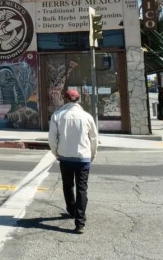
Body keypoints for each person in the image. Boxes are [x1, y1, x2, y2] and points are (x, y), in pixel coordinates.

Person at [48, 88, 98, 234]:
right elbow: (94, 138)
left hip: (65, 156)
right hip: (83, 157)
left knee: (68, 185)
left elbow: (52, 139)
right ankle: (80, 222)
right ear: (79, 99)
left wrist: (56, 152)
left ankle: (71, 209)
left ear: (65, 99)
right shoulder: (87, 116)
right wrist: (92, 154)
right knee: (82, 188)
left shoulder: (57, 115)